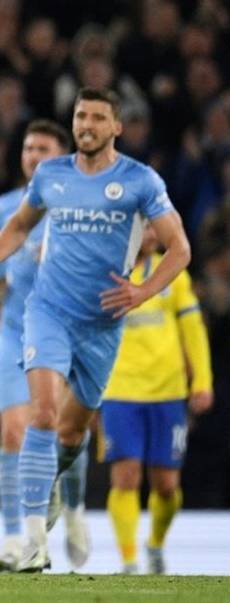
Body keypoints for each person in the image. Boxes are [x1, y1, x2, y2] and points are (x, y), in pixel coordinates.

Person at [0, 87, 192, 573]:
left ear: (116, 127)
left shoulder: (139, 180)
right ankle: (30, 542)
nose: (86, 125)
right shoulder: (52, 175)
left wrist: (142, 291)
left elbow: (180, 249)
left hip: (103, 325)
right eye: (80, 116)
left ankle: (51, 497)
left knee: (72, 434)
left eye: (97, 118)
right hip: (48, 312)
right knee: (41, 413)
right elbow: (22, 225)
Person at [0, 119, 90, 572]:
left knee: (62, 430)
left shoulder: (83, 205)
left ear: (62, 156)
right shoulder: (8, 205)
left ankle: (74, 509)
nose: (31, 155)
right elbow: (10, 267)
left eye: (42, 148)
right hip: (14, 330)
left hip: (64, 329)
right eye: (27, 147)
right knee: (14, 430)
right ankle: (16, 540)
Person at [101, 223, 213, 574]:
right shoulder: (104, 274)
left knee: (166, 486)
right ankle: (129, 559)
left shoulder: (172, 274)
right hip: (119, 390)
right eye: (144, 228)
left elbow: (192, 329)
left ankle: (155, 545)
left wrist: (203, 381)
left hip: (167, 392)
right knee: (127, 477)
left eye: (153, 228)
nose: (152, 234)